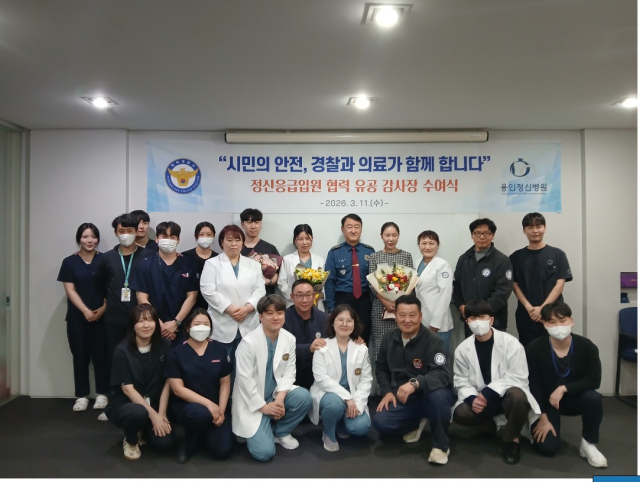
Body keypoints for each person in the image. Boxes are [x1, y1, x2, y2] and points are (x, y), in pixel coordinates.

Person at [452, 300, 540, 465]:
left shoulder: (511, 343)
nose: (478, 322)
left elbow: (518, 376)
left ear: (491, 320)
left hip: (506, 397)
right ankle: (490, 428)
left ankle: (511, 440)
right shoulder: (462, 349)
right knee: (460, 413)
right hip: (481, 400)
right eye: (473, 318)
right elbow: (460, 380)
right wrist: (472, 399)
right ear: (467, 322)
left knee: (518, 397)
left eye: (482, 317)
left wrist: (488, 392)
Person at [372, 295, 455, 465]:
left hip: (431, 393)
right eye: (402, 315)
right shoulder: (389, 337)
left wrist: (416, 383)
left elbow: (442, 374)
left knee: (438, 397)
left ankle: (440, 446)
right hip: (405, 397)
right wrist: (387, 391)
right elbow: (381, 368)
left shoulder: (434, 341)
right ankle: (417, 422)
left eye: (412, 315)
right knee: (381, 423)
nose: (407, 320)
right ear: (395, 316)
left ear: (421, 316)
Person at [232, 294, 313, 462]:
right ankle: (262, 426)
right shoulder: (248, 343)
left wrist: (280, 400)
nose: (275, 317)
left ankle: (280, 432)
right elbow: (244, 382)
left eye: (279, 312)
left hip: (274, 395)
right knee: (264, 453)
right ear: (260, 317)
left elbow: (289, 372)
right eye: (269, 313)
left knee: (304, 397)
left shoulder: (289, 338)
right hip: (253, 401)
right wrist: (264, 407)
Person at [526, 301, 607, 468]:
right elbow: (533, 385)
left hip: (574, 398)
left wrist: (564, 388)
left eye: (562, 321)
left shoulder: (587, 346)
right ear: (544, 324)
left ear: (571, 321)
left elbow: (594, 380)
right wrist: (541, 417)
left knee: (594, 398)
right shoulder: (535, 348)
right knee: (548, 448)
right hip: (547, 403)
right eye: (552, 322)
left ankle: (588, 444)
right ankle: (532, 426)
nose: (558, 326)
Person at [105, 304, 174, 461]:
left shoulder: (165, 345)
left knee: (165, 444)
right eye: (140, 321)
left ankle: (143, 429)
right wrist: (153, 416)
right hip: (126, 404)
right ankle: (131, 440)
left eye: (150, 320)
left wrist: (161, 414)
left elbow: (168, 382)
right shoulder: (122, 351)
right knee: (138, 412)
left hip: (155, 404)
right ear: (132, 325)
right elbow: (128, 390)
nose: (146, 325)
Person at [166, 309, 234, 464]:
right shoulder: (176, 353)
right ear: (188, 327)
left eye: (206, 324)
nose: (201, 327)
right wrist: (209, 404)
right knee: (199, 414)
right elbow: (177, 389)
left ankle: (203, 433)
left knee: (223, 451)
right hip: (188, 406)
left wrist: (221, 411)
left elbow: (225, 383)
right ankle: (189, 442)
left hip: (217, 407)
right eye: (197, 324)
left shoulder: (219, 350)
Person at [94, 214, 153, 389]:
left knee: (142, 358)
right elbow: (100, 284)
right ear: (115, 233)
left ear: (136, 231)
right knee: (114, 358)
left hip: (142, 319)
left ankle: (141, 396)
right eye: (121, 231)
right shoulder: (107, 258)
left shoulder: (148, 256)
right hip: (114, 318)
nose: (125, 234)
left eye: (129, 230)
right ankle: (114, 397)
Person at [200, 224, 266, 380]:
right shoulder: (212, 264)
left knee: (246, 369)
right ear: (221, 243)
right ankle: (225, 396)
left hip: (248, 321)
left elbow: (260, 290)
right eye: (229, 240)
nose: (233, 244)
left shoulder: (254, 265)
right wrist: (230, 309)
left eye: (237, 240)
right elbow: (208, 290)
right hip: (222, 322)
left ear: (242, 243)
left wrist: (247, 309)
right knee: (222, 369)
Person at [57, 223, 108, 412]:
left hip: (102, 317)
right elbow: (70, 290)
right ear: (79, 238)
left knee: (102, 357)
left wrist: (104, 308)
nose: (89, 240)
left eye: (93, 236)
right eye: (85, 236)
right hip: (77, 318)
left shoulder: (105, 260)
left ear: (98, 239)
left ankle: (102, 394)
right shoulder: (69, 262)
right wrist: (85, 310)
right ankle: (81, 396)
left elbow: (112, 287)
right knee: (80, 356)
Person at [309, 305, 372, 452]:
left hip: (353, 396)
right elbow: (321, 379)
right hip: (329, 394)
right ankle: (329, 433)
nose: (345, 324)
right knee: (334, 405)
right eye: (340, 320)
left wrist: (357, 403)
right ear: (333, 322)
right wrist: (347, 398)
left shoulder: (361, 349)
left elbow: (366, 380)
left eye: (349, 321)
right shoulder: (322, 347)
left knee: (361, 427)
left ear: (354, 324)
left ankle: (342, 423)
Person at [510, 213, 573, 348]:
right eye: (530, 227)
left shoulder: (558, 254)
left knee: (556, 350)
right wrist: (529, 307)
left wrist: (543, 308)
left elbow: (560, 284)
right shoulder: (515, 257)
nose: (535, 231)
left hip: (554, 314)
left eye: (538, 226)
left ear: (545, 228)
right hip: (527, 314)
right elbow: (514, 285)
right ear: (524, 230)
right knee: (529, 351)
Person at [130, 221, 198, 345]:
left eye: (172, 237)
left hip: (181, 326)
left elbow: (192, 297)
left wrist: (176, 322)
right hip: (153, 326)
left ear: (178, 240)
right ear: (157, 239)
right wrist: (160, 325)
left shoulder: (188, 264)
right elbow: (141, 298)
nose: (168, 240)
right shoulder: (145, 264)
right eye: (164, 236)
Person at [452, 218, 513, 337]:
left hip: (494, 320)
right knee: (472, 348)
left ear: (493, 235)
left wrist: (480, 313)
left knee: (496, 348)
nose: (481, 237)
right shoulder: (464, 259)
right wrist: (462, 307)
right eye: (477, 233)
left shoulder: (502, 260)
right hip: (470, 319)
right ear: (472, 235)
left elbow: (503, 292)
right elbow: (457, 286)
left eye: (486, 233)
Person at [325, 214, 375, 344]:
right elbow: (329, 281)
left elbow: (376, 280)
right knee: (342, 338)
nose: (353, 230)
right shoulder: (334, 252)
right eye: (349, 227)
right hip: (342, 300)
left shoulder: (370, 252)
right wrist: (331, 308)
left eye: (357, 227)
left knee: (362, 339)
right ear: (343, 229)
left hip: (365, 301)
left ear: (361, 229)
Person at [368, 222, 414, 365]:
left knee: (401, 343)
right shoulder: (374, 257)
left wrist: (398, 304)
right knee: (381, 344)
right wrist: (385, 302)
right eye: (387, 235)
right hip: (380, 308)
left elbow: (410, 282)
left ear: (398, 236)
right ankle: (382, 377)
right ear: (381, 236)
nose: (391, 239)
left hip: (402, 309)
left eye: (394, 235)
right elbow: (372, 283)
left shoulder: (406, 256)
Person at [283, 279, 329, 390]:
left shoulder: (324, 318)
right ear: (292, 297)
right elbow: (282, 350)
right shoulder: (283, 318)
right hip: (290, 377)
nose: (305, 300)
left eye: (308, 295)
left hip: (319, 377)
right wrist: (309, 348)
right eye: (300, 295)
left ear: (314, 296)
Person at [414, 230, 454, 354]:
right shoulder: (417, 262)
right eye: (423, 243)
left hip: (438, 322)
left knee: (439, 356)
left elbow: (445, 294)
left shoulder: (442, 265)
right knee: (423, 356)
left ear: (438, 245)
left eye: (431, 243)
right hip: (421, 319)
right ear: (419, 245)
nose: (427, 247)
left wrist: (436, 322)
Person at [278, 224, 326, 311]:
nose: (304, 242)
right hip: (293, 304)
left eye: (307, 238)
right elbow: (281, 283)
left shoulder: (320, 260)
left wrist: (320, 295)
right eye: (300, 239)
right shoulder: (287, 259)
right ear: (295, 241)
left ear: (312, 239)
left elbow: (324, 284)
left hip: (315, 304)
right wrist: (295, 296)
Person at [240, 208, 281, 295]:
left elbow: (278, 274)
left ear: (261, 225)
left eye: (257, 222)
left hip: (266, 297)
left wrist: (267, 281)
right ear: (242, 224)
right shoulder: (236, 249)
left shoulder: (270, 248)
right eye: (249, 222)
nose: (253, 226)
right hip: (242, 295)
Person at [181, 221, 219, 311]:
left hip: (212, 305)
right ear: (196, 236)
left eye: (209, 235)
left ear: (213, 236)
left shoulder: (218, 258)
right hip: (189, 305)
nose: (205, 238)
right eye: (201, 234)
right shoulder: (185, 256)